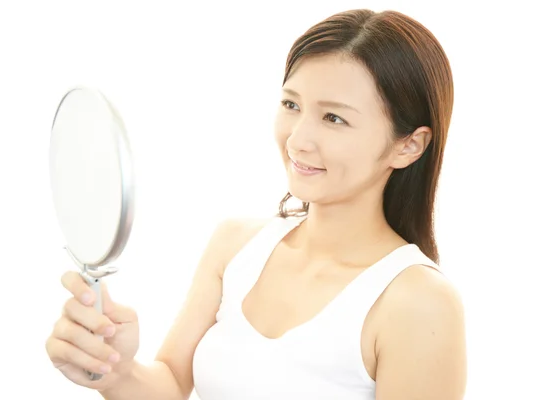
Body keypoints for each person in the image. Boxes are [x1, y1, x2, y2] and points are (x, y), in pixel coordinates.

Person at [45, 8, 467, 400]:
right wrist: (114, 369)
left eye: (334, 118)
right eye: (291, 104)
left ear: (409, 145)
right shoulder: (236, 246)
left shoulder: (417, 301)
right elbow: (171, 384)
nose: (298, 139)